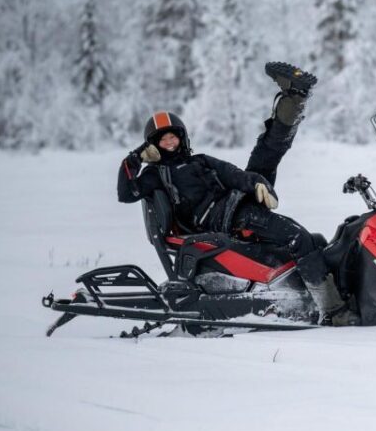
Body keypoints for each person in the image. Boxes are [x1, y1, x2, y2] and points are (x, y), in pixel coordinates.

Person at [117, 62, 356, 325]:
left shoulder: (200, 160)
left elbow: (231, 173)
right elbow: (126, 193)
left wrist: (255, 183)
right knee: (300, 239)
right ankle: (333, 311)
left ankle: (294, 98)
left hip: (234, 205)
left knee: (265, 158)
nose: (170, 143)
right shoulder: (156, 175)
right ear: (153, 145)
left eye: (173, 136)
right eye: (163, 140)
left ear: (182, 137)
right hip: (225, 219)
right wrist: (136, 156)